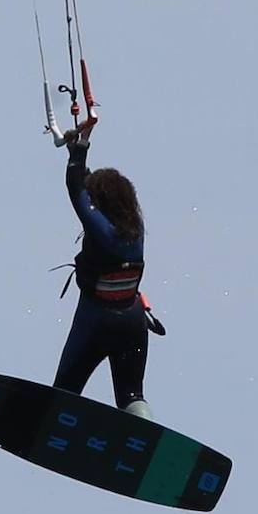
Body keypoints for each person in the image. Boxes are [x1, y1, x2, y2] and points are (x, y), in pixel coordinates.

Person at [53, 129, 157, 420]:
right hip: (133, 321)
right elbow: (88, 191)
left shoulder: (104, 233)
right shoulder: (135, 234)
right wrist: (79, 147)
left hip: (96, 321)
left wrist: (78, 151)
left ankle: (56, 425)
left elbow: (77, 190)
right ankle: (145, 429)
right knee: (131, 395)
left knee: (65, 389)